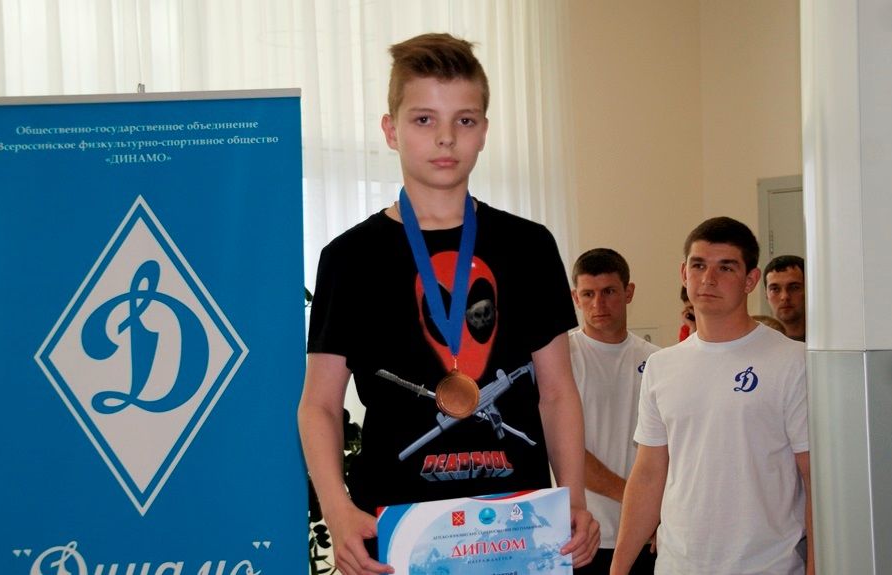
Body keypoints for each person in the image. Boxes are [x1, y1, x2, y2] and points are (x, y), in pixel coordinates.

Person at [298, 33, 599, 575]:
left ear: (483, 130)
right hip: (396, 535)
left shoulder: (529, 246)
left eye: (464, 119)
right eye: (423, 119)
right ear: (391, 130)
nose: (445, 137)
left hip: (518, 531)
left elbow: (556, 391)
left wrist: (573, 497)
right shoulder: (349, 258)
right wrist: (338, 511)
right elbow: (319, 404)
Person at [612, 217, 814, 575]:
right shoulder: (661, 365)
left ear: (751, 279)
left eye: (726, 267)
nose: (708, 278)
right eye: (699, 265)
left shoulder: (791, 361)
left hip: (767, 566)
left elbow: (814, 479)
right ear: (683, 273)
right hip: (678, 565)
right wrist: (618, 567)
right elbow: (648, 475)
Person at [568, 248, 660, 574]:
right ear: (575, 298)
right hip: (584, 536)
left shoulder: (658, 361)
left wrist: (657, 514)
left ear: (628, 292)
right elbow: (565, 451)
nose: (598, 304)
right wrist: (639, 500)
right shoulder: (562, 360)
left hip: (646, 534)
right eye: (588, 294)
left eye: (608, 292)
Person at [764, 255, 806, 341]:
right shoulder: (759, 341)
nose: (785, 296)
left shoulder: (827, 340)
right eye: (775, 289)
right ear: (766, 295)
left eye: (794, 287)